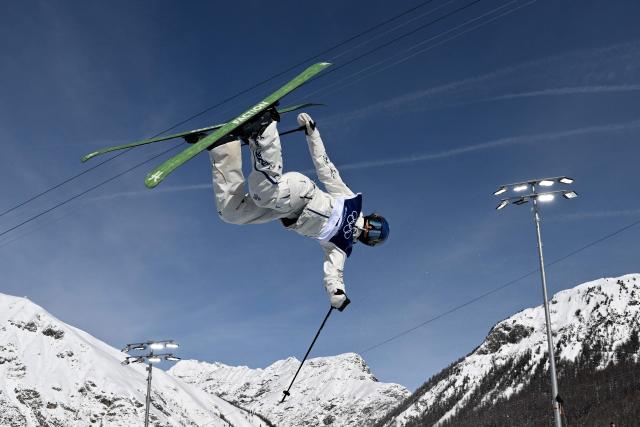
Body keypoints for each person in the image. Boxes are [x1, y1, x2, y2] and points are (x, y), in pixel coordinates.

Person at [203, 107, 389, 311]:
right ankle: (264, 129)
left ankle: (224, 148)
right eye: (377, 225)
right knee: (263, 194)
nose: (371, 230)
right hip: (302, 192)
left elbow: (334, 276)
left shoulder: (340, 247)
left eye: (375, 236)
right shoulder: (352, 202)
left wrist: (337, 293)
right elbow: (327, 169)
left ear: (369, 243)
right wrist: (313, 135)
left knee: (232, 213)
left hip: (286, 211)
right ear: (373, 217)